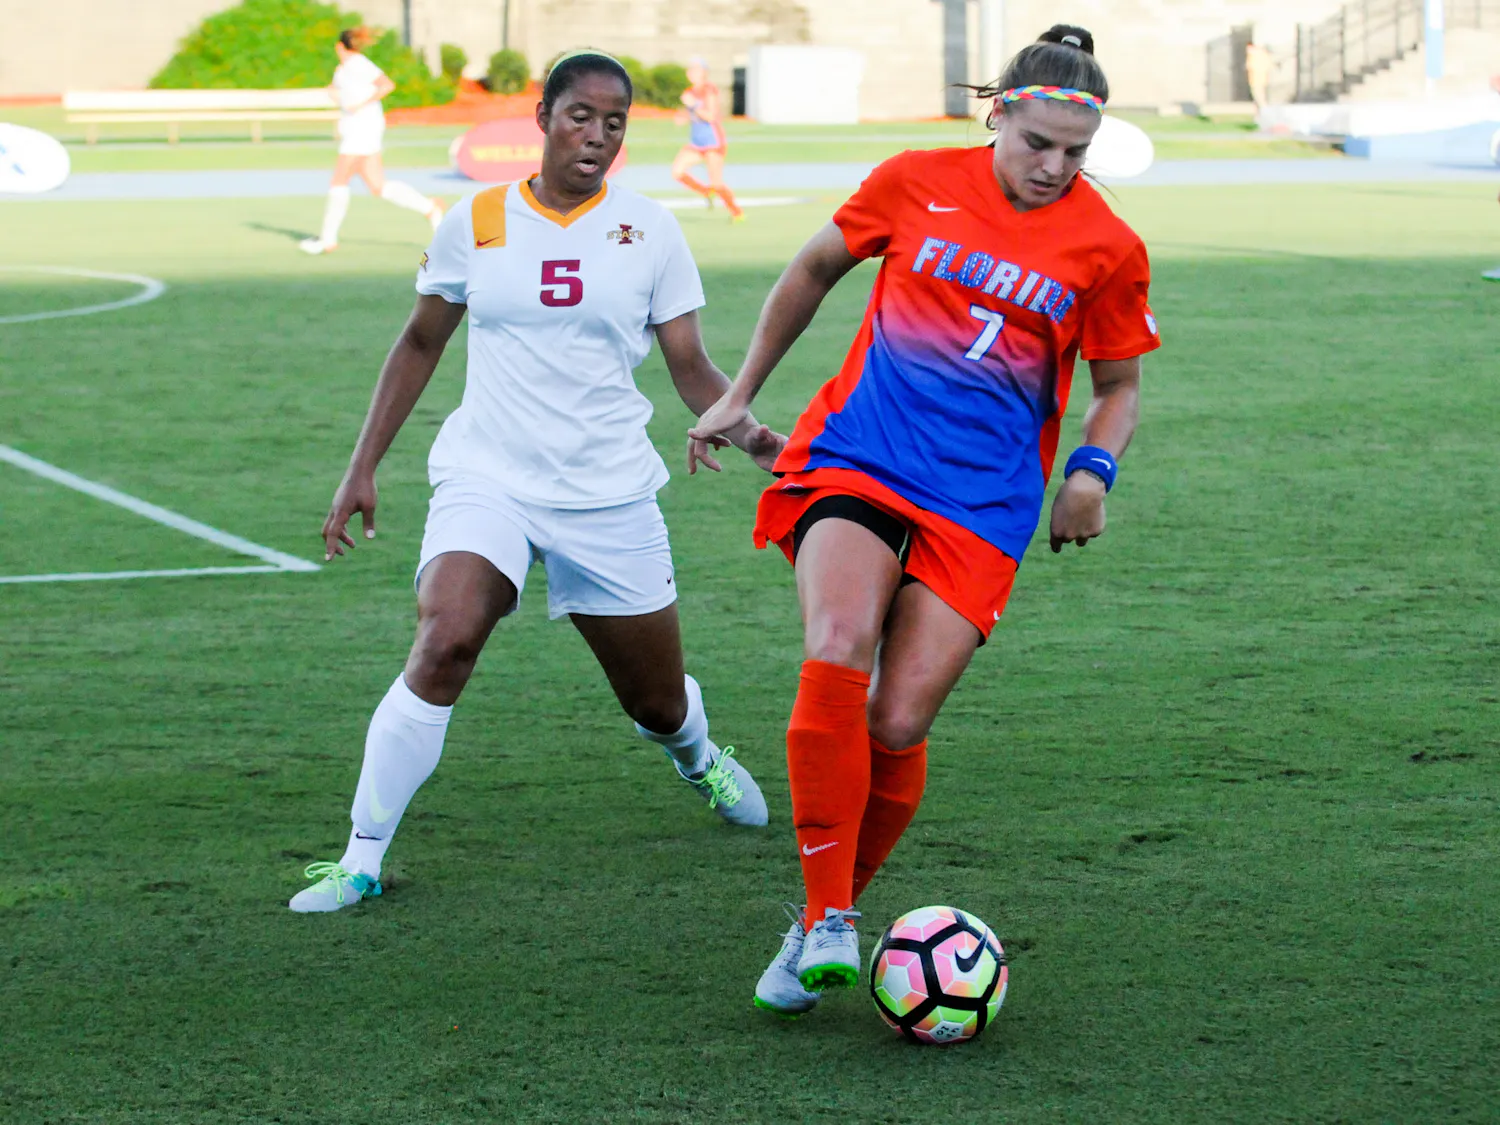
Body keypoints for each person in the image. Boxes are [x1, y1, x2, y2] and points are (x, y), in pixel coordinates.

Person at [687, 25, 1160, 1015]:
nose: (1054, 167)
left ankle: (829, 906)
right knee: (840, 636)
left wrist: (1092, 472)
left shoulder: (1108, 245)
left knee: (898, 719)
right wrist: (741, 393)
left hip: (984, 498)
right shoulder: (914, 178)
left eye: (1075, 153)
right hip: (862, 453)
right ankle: (828, 923)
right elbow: (815, 269)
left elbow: (1117, 384)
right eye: (1038, 143)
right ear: (998, 114)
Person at [290, 50, 784, 914]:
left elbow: (691, 366)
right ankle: (361, 856)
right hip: (491, 474)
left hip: (608, 490)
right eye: (580, 116)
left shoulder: (652, 230)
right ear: (545, 118)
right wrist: (362, 463)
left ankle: (697, 756)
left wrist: (753, 439)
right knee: (445, 638)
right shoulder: (474, 220)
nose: (597, 135)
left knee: (657, 700)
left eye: (616, 122)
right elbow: (419, 342)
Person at [300, 26, 446, 256]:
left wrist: (361, 105)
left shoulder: (360, 64)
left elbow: (386, 85)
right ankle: (430, 208)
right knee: (378, 186)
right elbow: (342, 94)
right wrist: (337, 96)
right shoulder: (343, 69)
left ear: (339, 46)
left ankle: (328, 240)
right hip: (355, 130)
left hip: (363, 129)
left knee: (339, 180)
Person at [670, 58, 744, 221]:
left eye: (696, 69)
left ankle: (737, 212)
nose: (691, 73)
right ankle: (705, 192)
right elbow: (692, 116)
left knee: (717, 183)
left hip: (712, 142)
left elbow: (710, 116)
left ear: (704, 72)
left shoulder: (708, 90)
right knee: (677, 171)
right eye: (690, 69)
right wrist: (683, 117)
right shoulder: (689, 92)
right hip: (697, 142)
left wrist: (693, 105)